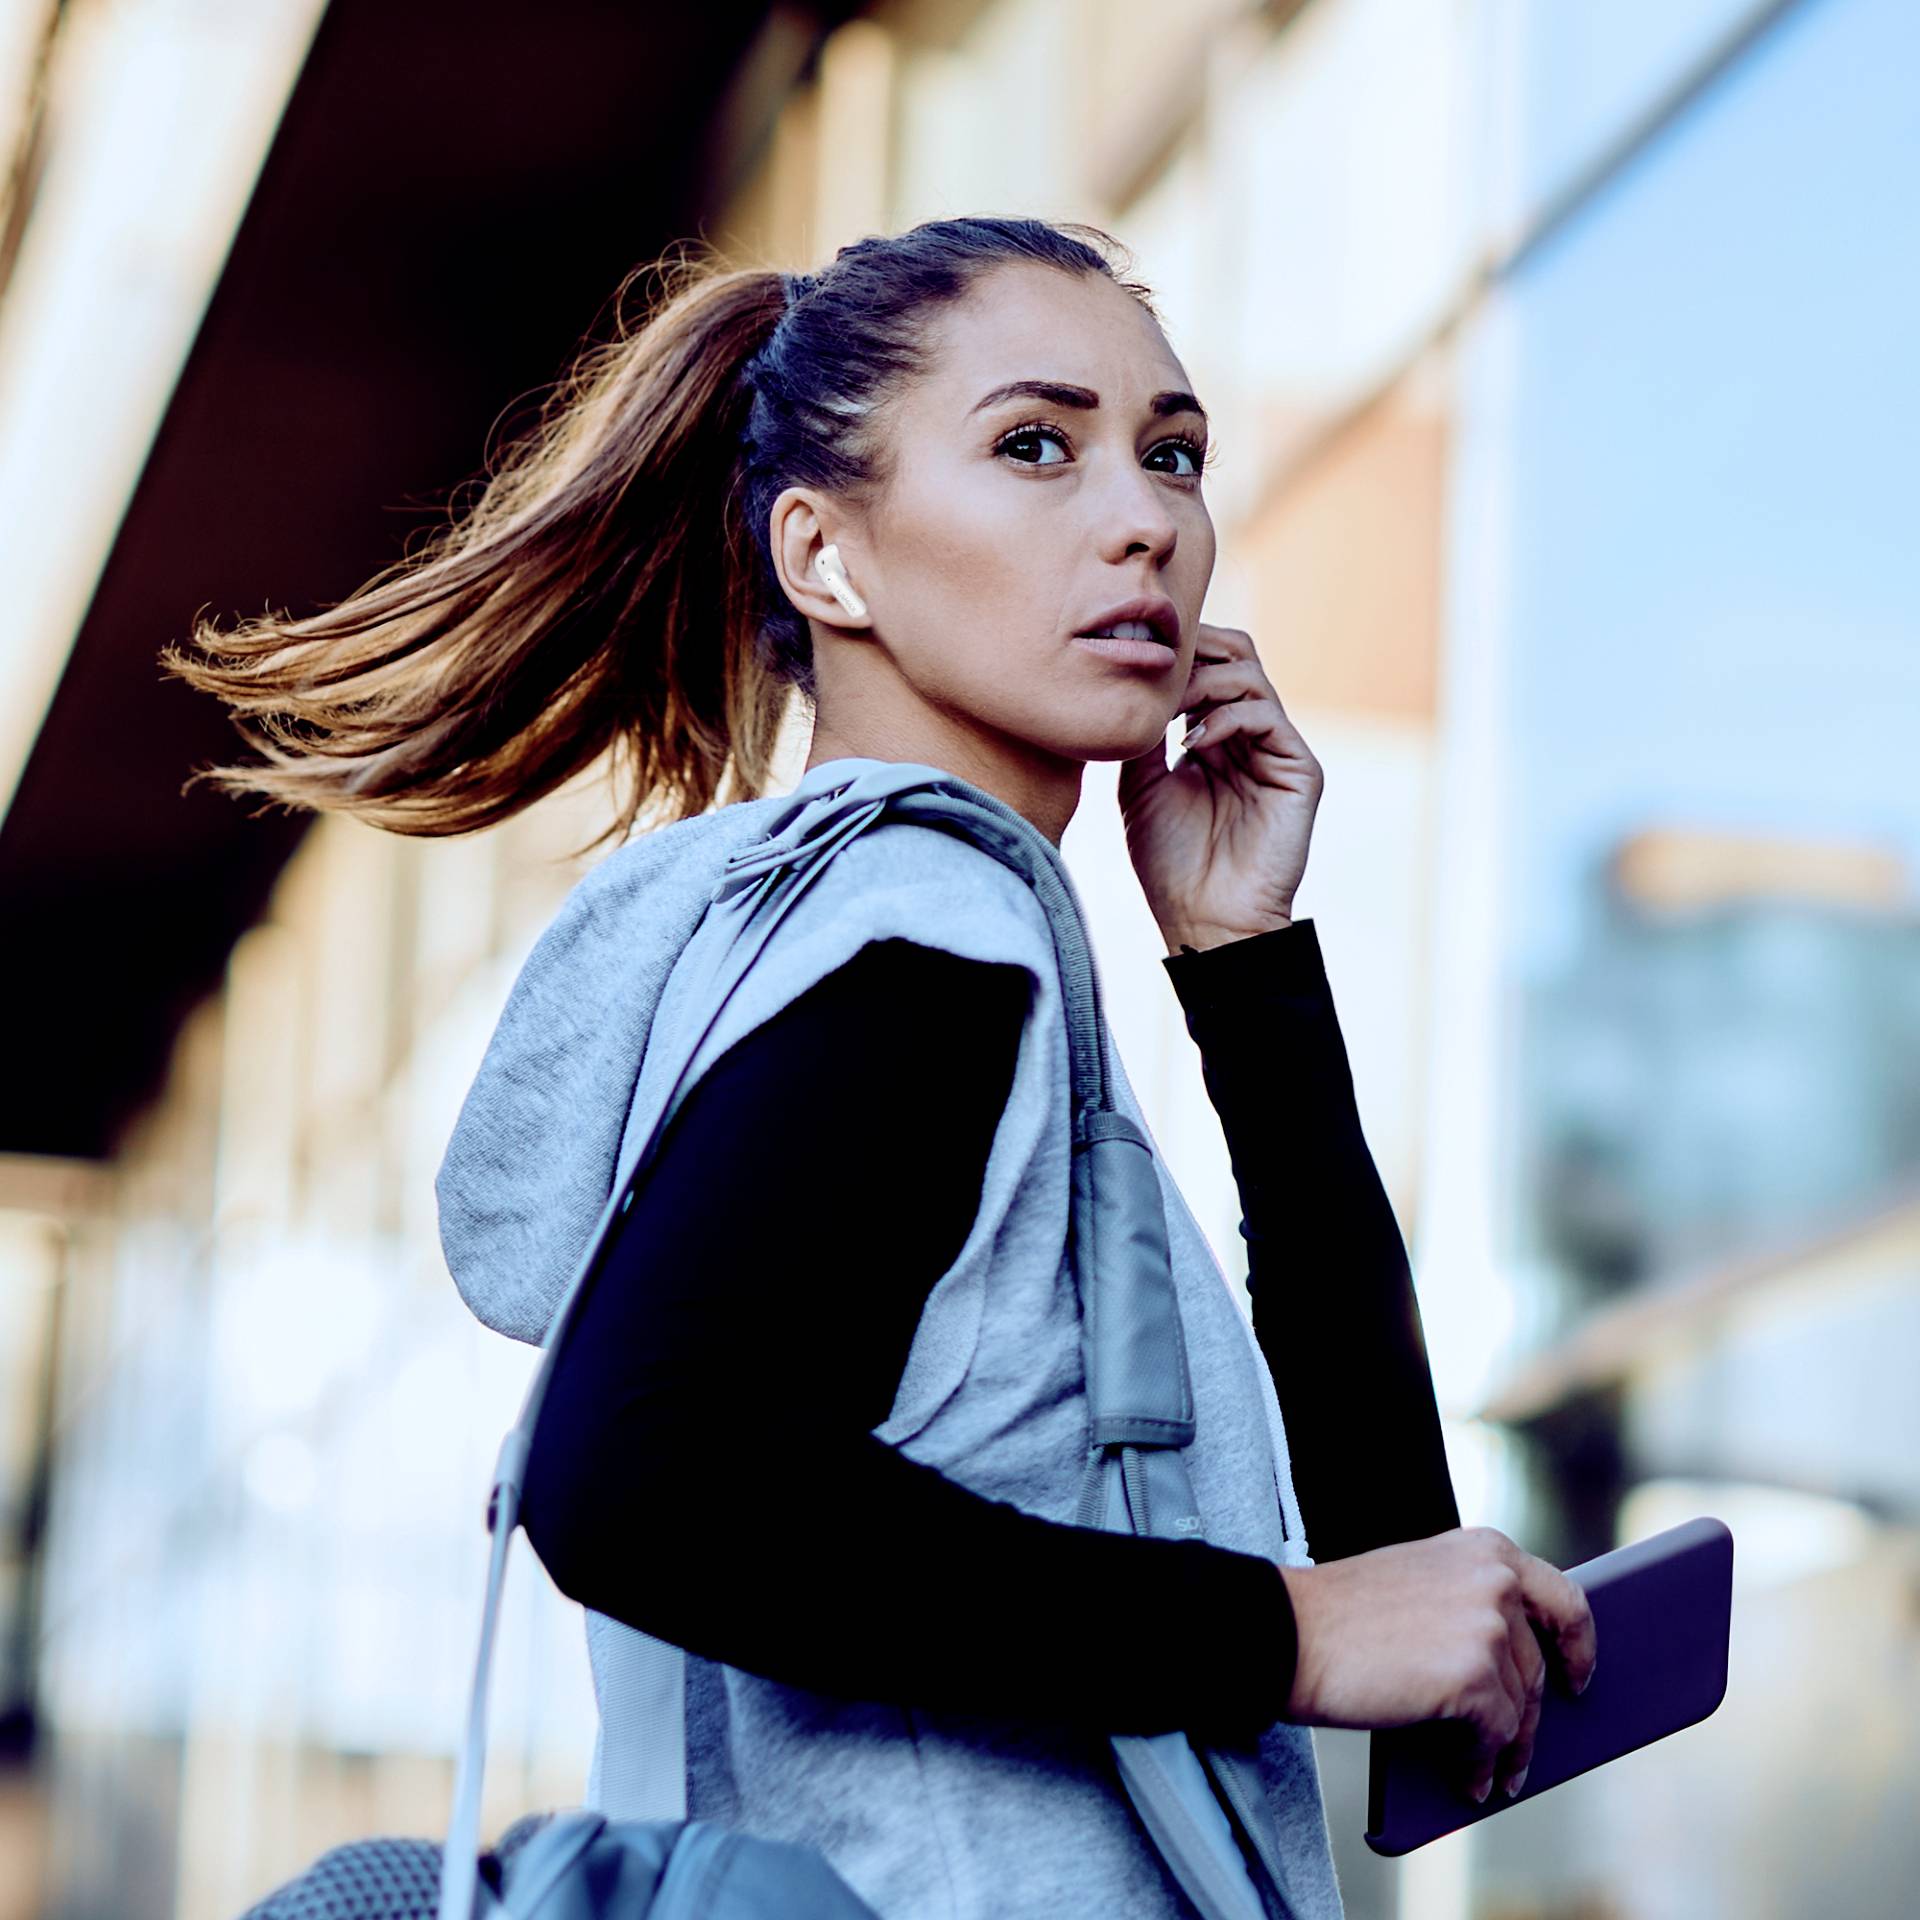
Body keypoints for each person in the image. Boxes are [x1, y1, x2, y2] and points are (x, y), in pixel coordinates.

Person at [163, 214, 1596, 1918]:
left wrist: (1246, 967)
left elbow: (1384, 1567)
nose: (1144, 515)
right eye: (1034, 447)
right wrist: (1283, 1635)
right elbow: (642, 1474)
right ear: (826, 561)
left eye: (1175, 454)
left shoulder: (838, 938)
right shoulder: (929, 921)